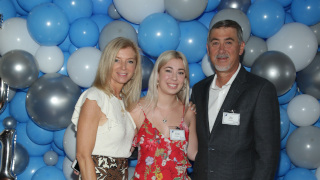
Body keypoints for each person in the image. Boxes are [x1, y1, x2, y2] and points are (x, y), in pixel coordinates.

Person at [190, 20, 280, 180]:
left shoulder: (260, 90)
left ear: (241, 47)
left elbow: (267, 156)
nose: (221, 50)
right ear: (208, 48)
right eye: (215, 43)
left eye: (228, 42)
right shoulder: (199, 90)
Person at [71, 37, 142, 180]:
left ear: (135, 68)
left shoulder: (124, 102)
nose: (123, 67)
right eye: (116, 60)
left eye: (130, 61)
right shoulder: (95, 97)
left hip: (121, 174)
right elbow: (83, 155)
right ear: (106, 63)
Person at [130, 50, 197, 180]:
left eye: (180, 72)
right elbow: (118, 149)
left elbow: (193, 153)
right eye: (168, 70)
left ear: (185, 79)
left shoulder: (188, 112)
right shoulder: (137, 110)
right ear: (157, 75)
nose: (174, 77)